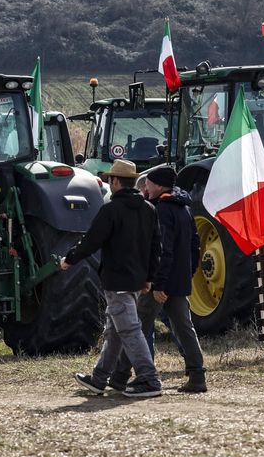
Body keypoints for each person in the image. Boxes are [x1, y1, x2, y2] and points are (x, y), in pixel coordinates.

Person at [62, 159, 163, 399]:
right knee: (115, 330)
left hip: (117, 281)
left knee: (128, 330)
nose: (110, 184)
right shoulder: (149, 209)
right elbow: (155, 247)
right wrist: (149, 277)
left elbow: (91, 241)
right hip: (137, 280)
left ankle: (149, 379)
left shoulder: (111, 210)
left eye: (110, 180)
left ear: (117, 182)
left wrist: (70, 259)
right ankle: (99, 379)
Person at [110, 166, 207, 393]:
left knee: (136, 328)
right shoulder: (184, 208)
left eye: (149, 184)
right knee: (185, 328)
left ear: (159, 185)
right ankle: (197, 375)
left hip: (160, 284)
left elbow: (163, 251)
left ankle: (120, 376)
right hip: (179, 281)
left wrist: (158, 284)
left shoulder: (162, 210)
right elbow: (195, 245)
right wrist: (187, 274)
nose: (145, 187)